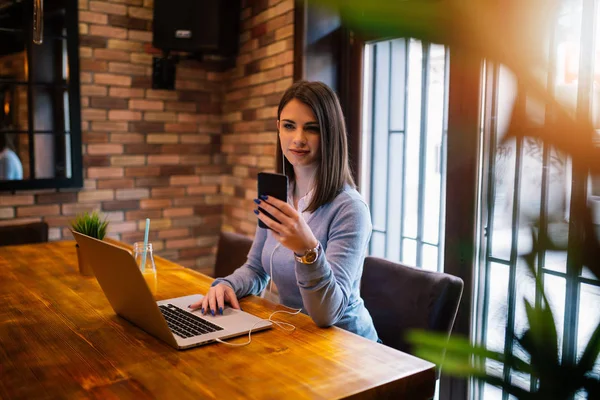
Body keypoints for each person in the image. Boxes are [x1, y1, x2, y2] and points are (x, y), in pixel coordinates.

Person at [190, 81, 379, 341]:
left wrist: (307, 251)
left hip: (348, 345)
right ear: (278, 128)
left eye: (311, 129)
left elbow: (327, 315)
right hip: (295, 334)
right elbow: (256, 269)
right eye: (289, 126)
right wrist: (227, 285)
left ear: (330, 134)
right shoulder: (281, 194)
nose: (298, 138)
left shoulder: (350, 209)